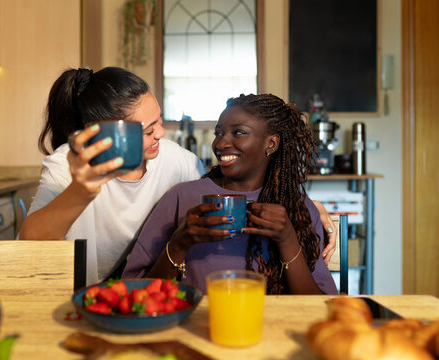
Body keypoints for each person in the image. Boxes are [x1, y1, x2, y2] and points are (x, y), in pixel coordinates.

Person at [122, 93, 338, 295]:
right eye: (218, 133)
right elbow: (135, 293)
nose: (220, 143)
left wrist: (288, 240)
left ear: (271, 144)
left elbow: (319, 306)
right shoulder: (181, 197)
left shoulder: (296, 208)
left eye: (238, 132)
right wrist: (179, 243)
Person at [18, 67, 205, 285]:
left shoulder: (176, 160)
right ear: (105, 134)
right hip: (68, 289)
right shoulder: (68, 164)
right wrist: (80, 192)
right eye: (148, 131)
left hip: (130, 283)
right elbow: (30, 241)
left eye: (159, 121)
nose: (161, 134)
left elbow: (205, 197)